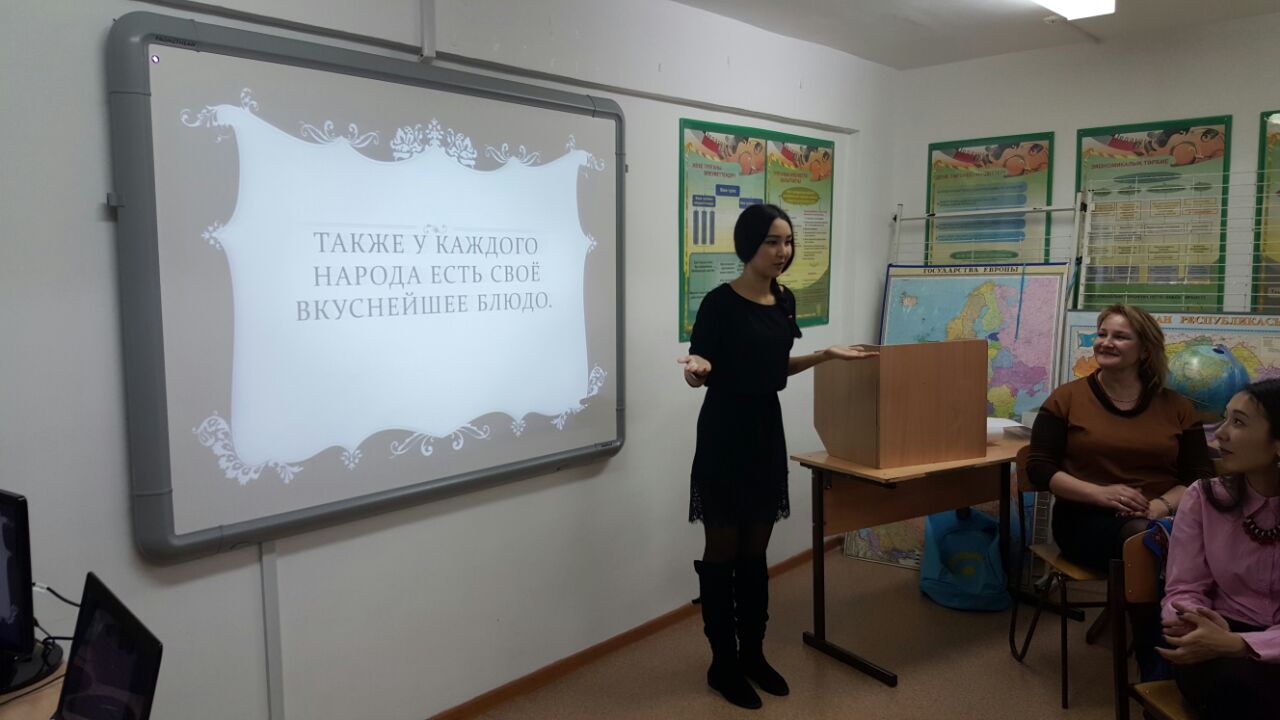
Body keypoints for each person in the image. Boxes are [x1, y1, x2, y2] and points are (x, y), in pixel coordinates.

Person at [676, 203, 875, 709]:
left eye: (787, 241)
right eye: (772, 241)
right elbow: (699, 367)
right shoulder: (719, 303)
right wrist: (697, 371)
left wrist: (825, 355)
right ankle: (722, 663)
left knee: (756, 550)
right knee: (723, 549)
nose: (782, 251)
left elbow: (774, 366)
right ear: (749, 244)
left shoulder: (784, 299)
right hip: (724, 433)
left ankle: (753, 654)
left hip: (766, 431)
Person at [1026, 304, 1213, 676]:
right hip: (1085, 520)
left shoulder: (1176, 407)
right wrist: (1100, 493)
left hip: (1161, 518)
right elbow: (1039, 469)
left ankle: (1205, 657)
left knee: (1169, 539)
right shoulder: (1066, 399)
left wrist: (1160, 505)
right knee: (1145, 542)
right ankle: (1155, 669)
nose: (1105, 343)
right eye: (1102, 334)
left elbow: (1200, 476)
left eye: (1120, 336)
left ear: (1144, 350)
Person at [1158, 379, 1280, 719]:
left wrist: (1243, 645)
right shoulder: (1203, 497)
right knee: (1237, 685)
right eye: (1225, 418)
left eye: (1238, 422)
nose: (1220, 434)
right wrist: (1194, 624)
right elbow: (1183, 588)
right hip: (1214, 633)